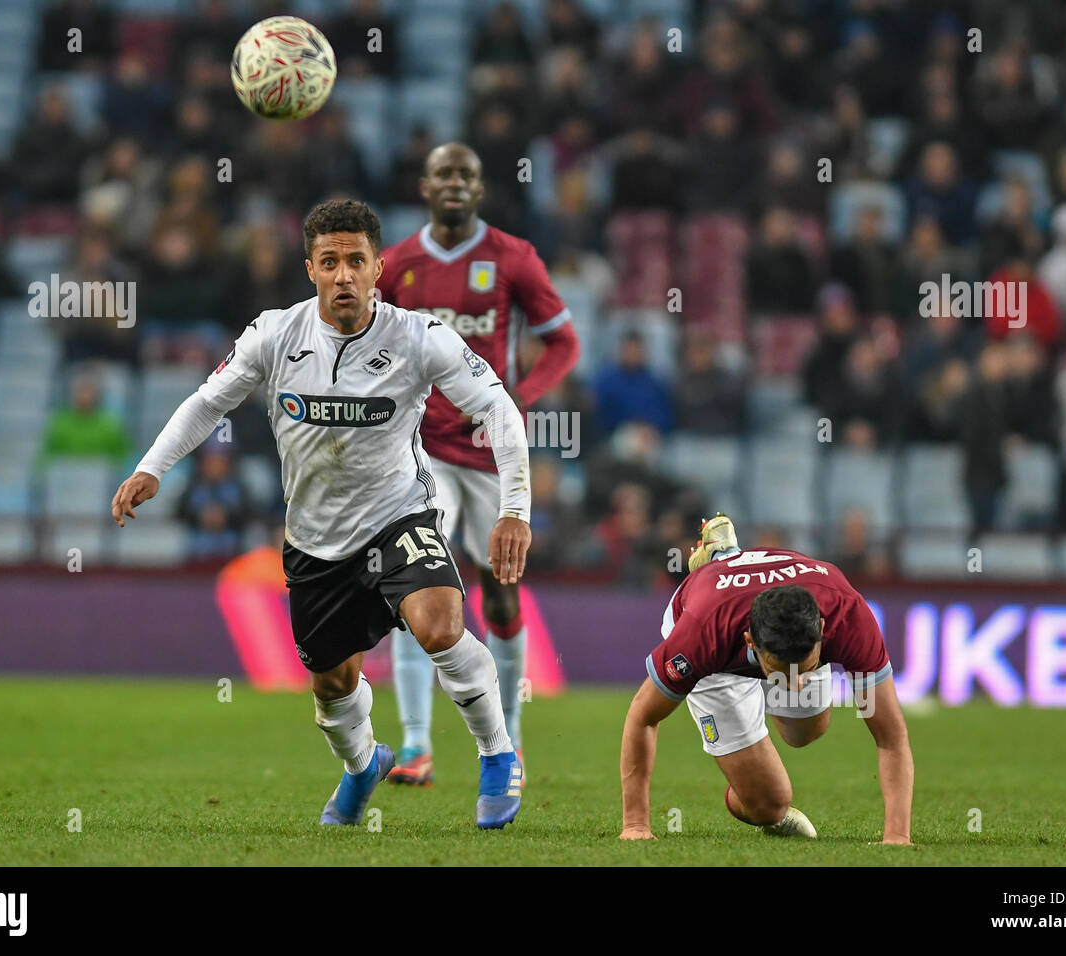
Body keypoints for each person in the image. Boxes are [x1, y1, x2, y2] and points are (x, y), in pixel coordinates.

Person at [111, 200, 532, 829]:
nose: (343, 275)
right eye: (329, 261)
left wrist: (514, 509)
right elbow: (206, 403)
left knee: (441, 626)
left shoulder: (420, 338)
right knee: (333, 688)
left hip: (401, 517)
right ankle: (363, 765)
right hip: (314, 542)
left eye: (355, 261)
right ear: (310, 268)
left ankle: (498, 755)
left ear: (378, 269)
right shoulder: (274, 336)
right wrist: (151, 467)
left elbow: (498, 409)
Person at [376, 142, 579, 786]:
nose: (455, 183)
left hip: (489, 455)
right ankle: (415, 745)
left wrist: (520, 398)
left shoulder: (512, 259)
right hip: (421, 452)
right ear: (425, 185)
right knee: (416, 589)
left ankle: (511, 737)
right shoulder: (396, 265)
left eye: (466, 174)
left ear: (480, 189)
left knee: (500, 592)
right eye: (444, 174)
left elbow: (562, 344)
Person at [619, 516, 914, 844]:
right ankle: (721, 559)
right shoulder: (700, 637)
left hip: (766, 615)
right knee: (768, 807)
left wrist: (897, 836)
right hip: (720, 658)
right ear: (749, 643)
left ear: (821, 628)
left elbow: (891, 736)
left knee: (806, 732)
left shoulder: (849, 617)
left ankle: (726, 555)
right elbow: (643, 716)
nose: (795, 678)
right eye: (780, 669)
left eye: (805, 665)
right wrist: (635, 825)